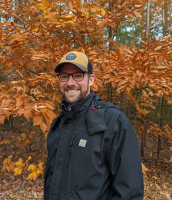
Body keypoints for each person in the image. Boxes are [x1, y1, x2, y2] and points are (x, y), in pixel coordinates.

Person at [44, 51, 144, 200]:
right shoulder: (58, 124)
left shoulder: (113, 122)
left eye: (78, 75)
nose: (70, 83)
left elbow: (129, 193)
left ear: (91, 79)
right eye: (64, 76)